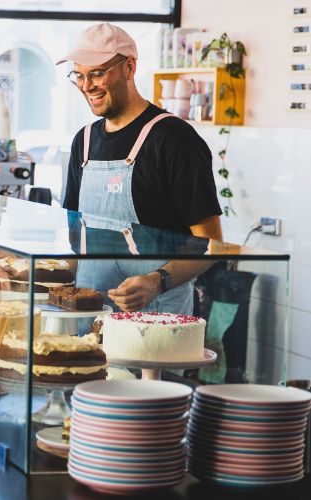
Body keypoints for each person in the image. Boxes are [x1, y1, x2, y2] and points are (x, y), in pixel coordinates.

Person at [58, 23, 223, 314]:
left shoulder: (173, 139)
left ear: (129, 68)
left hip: (157, 320)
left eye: (97, 73)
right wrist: (46, 280)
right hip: (89, 318)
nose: (86, 86)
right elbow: (75, 235)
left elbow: (211, 243)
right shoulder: (82, 142)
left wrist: (157, 281)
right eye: (79, 76)